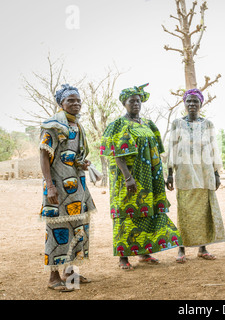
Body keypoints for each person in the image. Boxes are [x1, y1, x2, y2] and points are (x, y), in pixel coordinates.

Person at [100, 83, 182, 270]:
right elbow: (116, 153)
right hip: (127, 178)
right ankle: (123, 258)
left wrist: (160, 176)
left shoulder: (148, 124)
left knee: (147, 212)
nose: (136, 104)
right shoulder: (118, 125)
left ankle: (144, 253)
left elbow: (155, 152)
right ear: (124, 103)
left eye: (138, 101)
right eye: (132, 101)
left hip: (148, 177)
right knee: (126, 215)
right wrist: (128, 177)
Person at [40, 84, 96, 291]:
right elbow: (44, 156)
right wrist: (50, 186)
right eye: (70, 100)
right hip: (57, 188)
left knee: (78, 227)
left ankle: (70, 272)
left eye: (78, 100)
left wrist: (81, 164)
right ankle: (53, 277)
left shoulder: (77, 127)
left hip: (77, 185)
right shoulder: (52, 126)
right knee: (56, 229)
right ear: (61, 104)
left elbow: (72, 156)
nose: (76, 103)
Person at [166, 88, 225, 263]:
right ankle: (181, 249)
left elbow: (214, 149)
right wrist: (169, 174)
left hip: (205, 173)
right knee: (184, 211)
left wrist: (216, 174)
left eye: (195, 101)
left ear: (201, 104)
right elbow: (172, 149)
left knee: (204, 211)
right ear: (184, 103)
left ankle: (203, 248)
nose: (192, 104)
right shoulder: (177, 124)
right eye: (189, 101)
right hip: (184, 175)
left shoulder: (208, 124)